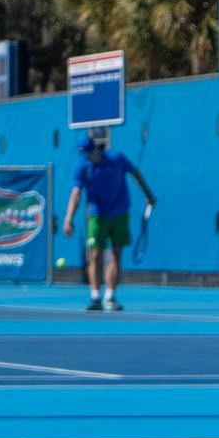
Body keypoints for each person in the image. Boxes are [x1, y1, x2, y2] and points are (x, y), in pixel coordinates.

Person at [60, 128, 156, 313]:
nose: (87, 158)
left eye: (89, 154)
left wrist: (148, 195)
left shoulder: (117, 158)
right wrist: (68, 218)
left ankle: (110, 297)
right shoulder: (82, 168)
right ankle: (95, 297)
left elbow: (135, 174)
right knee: (95, 256)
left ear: (95, 150)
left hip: (120, 213)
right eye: (84, 156)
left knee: (116, 254)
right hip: (97, 216)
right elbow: (76, 195)